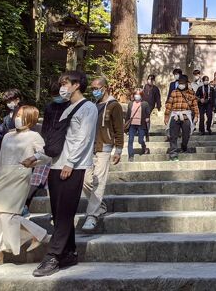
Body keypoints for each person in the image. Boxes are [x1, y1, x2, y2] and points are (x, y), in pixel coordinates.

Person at [34, 70, 98, 277]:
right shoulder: (64, 108)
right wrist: (39, 159)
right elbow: (58, 141)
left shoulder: (88, 107)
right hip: (55, 165)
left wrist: (70, 163)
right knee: (59, 212)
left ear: (77, 84)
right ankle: (68, 253)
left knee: (65, 213)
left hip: (73, 167)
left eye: (65, 83)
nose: (62, 87)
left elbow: (84, 138)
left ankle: (52, 256)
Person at [0, 106, 52, 267]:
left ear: (30, 119)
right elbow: (2, 159)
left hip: (20, 176)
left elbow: (47, 155)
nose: (18, 117)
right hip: (3, 178)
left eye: (22, 115)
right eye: (18, 115)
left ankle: (37, 235)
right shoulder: (8, 136)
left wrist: (34, 158)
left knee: (8, 215)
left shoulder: (34, 136)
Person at [80, 77, 124, 232]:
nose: (94, 91)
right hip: (89, 149)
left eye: (97, 87)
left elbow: (119, 129)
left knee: (98, 181)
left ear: (105, 87)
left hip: (105, 148)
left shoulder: (114, 106)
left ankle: (92, 215)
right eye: (92, 88)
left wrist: (118, 150)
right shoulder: (91, 106)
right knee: (85, 179)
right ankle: (101, 205)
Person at [23, 83, 68, 217]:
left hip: (64, 148)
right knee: (38, 176)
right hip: (49, 147)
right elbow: (46, 128)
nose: (56, 98)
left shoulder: (71, 107)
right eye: (53, 96)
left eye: (57, 95)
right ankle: (26, 203)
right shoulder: (49, 107)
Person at [164, 75, 199, 162]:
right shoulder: (174, 92)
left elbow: (195, 106)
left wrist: (196, 116)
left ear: (186, 84)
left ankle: (184, 146)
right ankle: (173, 154)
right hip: (175, 116)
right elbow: (169, 105)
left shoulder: (191, 94)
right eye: (179, 83)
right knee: (173, 136)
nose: (181, 85)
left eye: (182, 83)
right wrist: (166, 116)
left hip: (186, 116)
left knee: (186, 135)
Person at [126, 89, 151, 162]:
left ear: (141, 95)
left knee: (140, 140)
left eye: (138, 94)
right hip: (132, 124)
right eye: (135, 94)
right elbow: (128, 114)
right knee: (130, 140)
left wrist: (147, 118)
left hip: (141, 124)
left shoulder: (145, 103)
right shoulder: (130, 103)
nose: (137, 96)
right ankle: (130, 156)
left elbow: (148, 113)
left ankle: (144, 147)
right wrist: (126, 125)